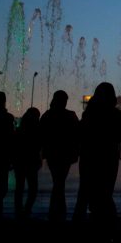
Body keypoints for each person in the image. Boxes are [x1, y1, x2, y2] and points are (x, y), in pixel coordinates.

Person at [74, 81, 121, 226]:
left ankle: (80, 216)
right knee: (106, 188)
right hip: (109, 156)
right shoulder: (117, 114)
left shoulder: (89, 114)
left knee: (85, 187)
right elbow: (118, 137)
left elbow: (81, 134)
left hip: (89, 155)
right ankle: (106, 216)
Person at [40, 89, 79, 221]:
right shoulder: (70, 115)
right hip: (65, 154)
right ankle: (59, 209)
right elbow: (77, 134)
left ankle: (56, 209)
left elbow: (41, 134)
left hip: (53, 154)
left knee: (58, 181)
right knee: (59, 181)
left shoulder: (47, 115)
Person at [13, 107, 42, 219]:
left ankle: (18, 209)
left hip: (19, 162)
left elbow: (15, 147)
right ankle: (27, 208)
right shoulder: (37, 131)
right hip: (32, 162)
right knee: (33, 188)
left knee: (19, 187)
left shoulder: (20, 130)